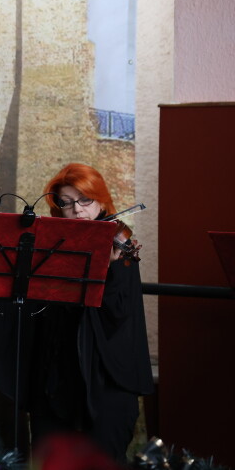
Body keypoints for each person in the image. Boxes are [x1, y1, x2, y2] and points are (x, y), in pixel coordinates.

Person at [28, 163, 154, 462]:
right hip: (58, 376)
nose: (77, 210)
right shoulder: (52, 245)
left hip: (106, 378)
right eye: (67, 203)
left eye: (85, 200)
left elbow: (118, 314)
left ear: (102, 202)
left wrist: (106, 267)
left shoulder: (119, 244)